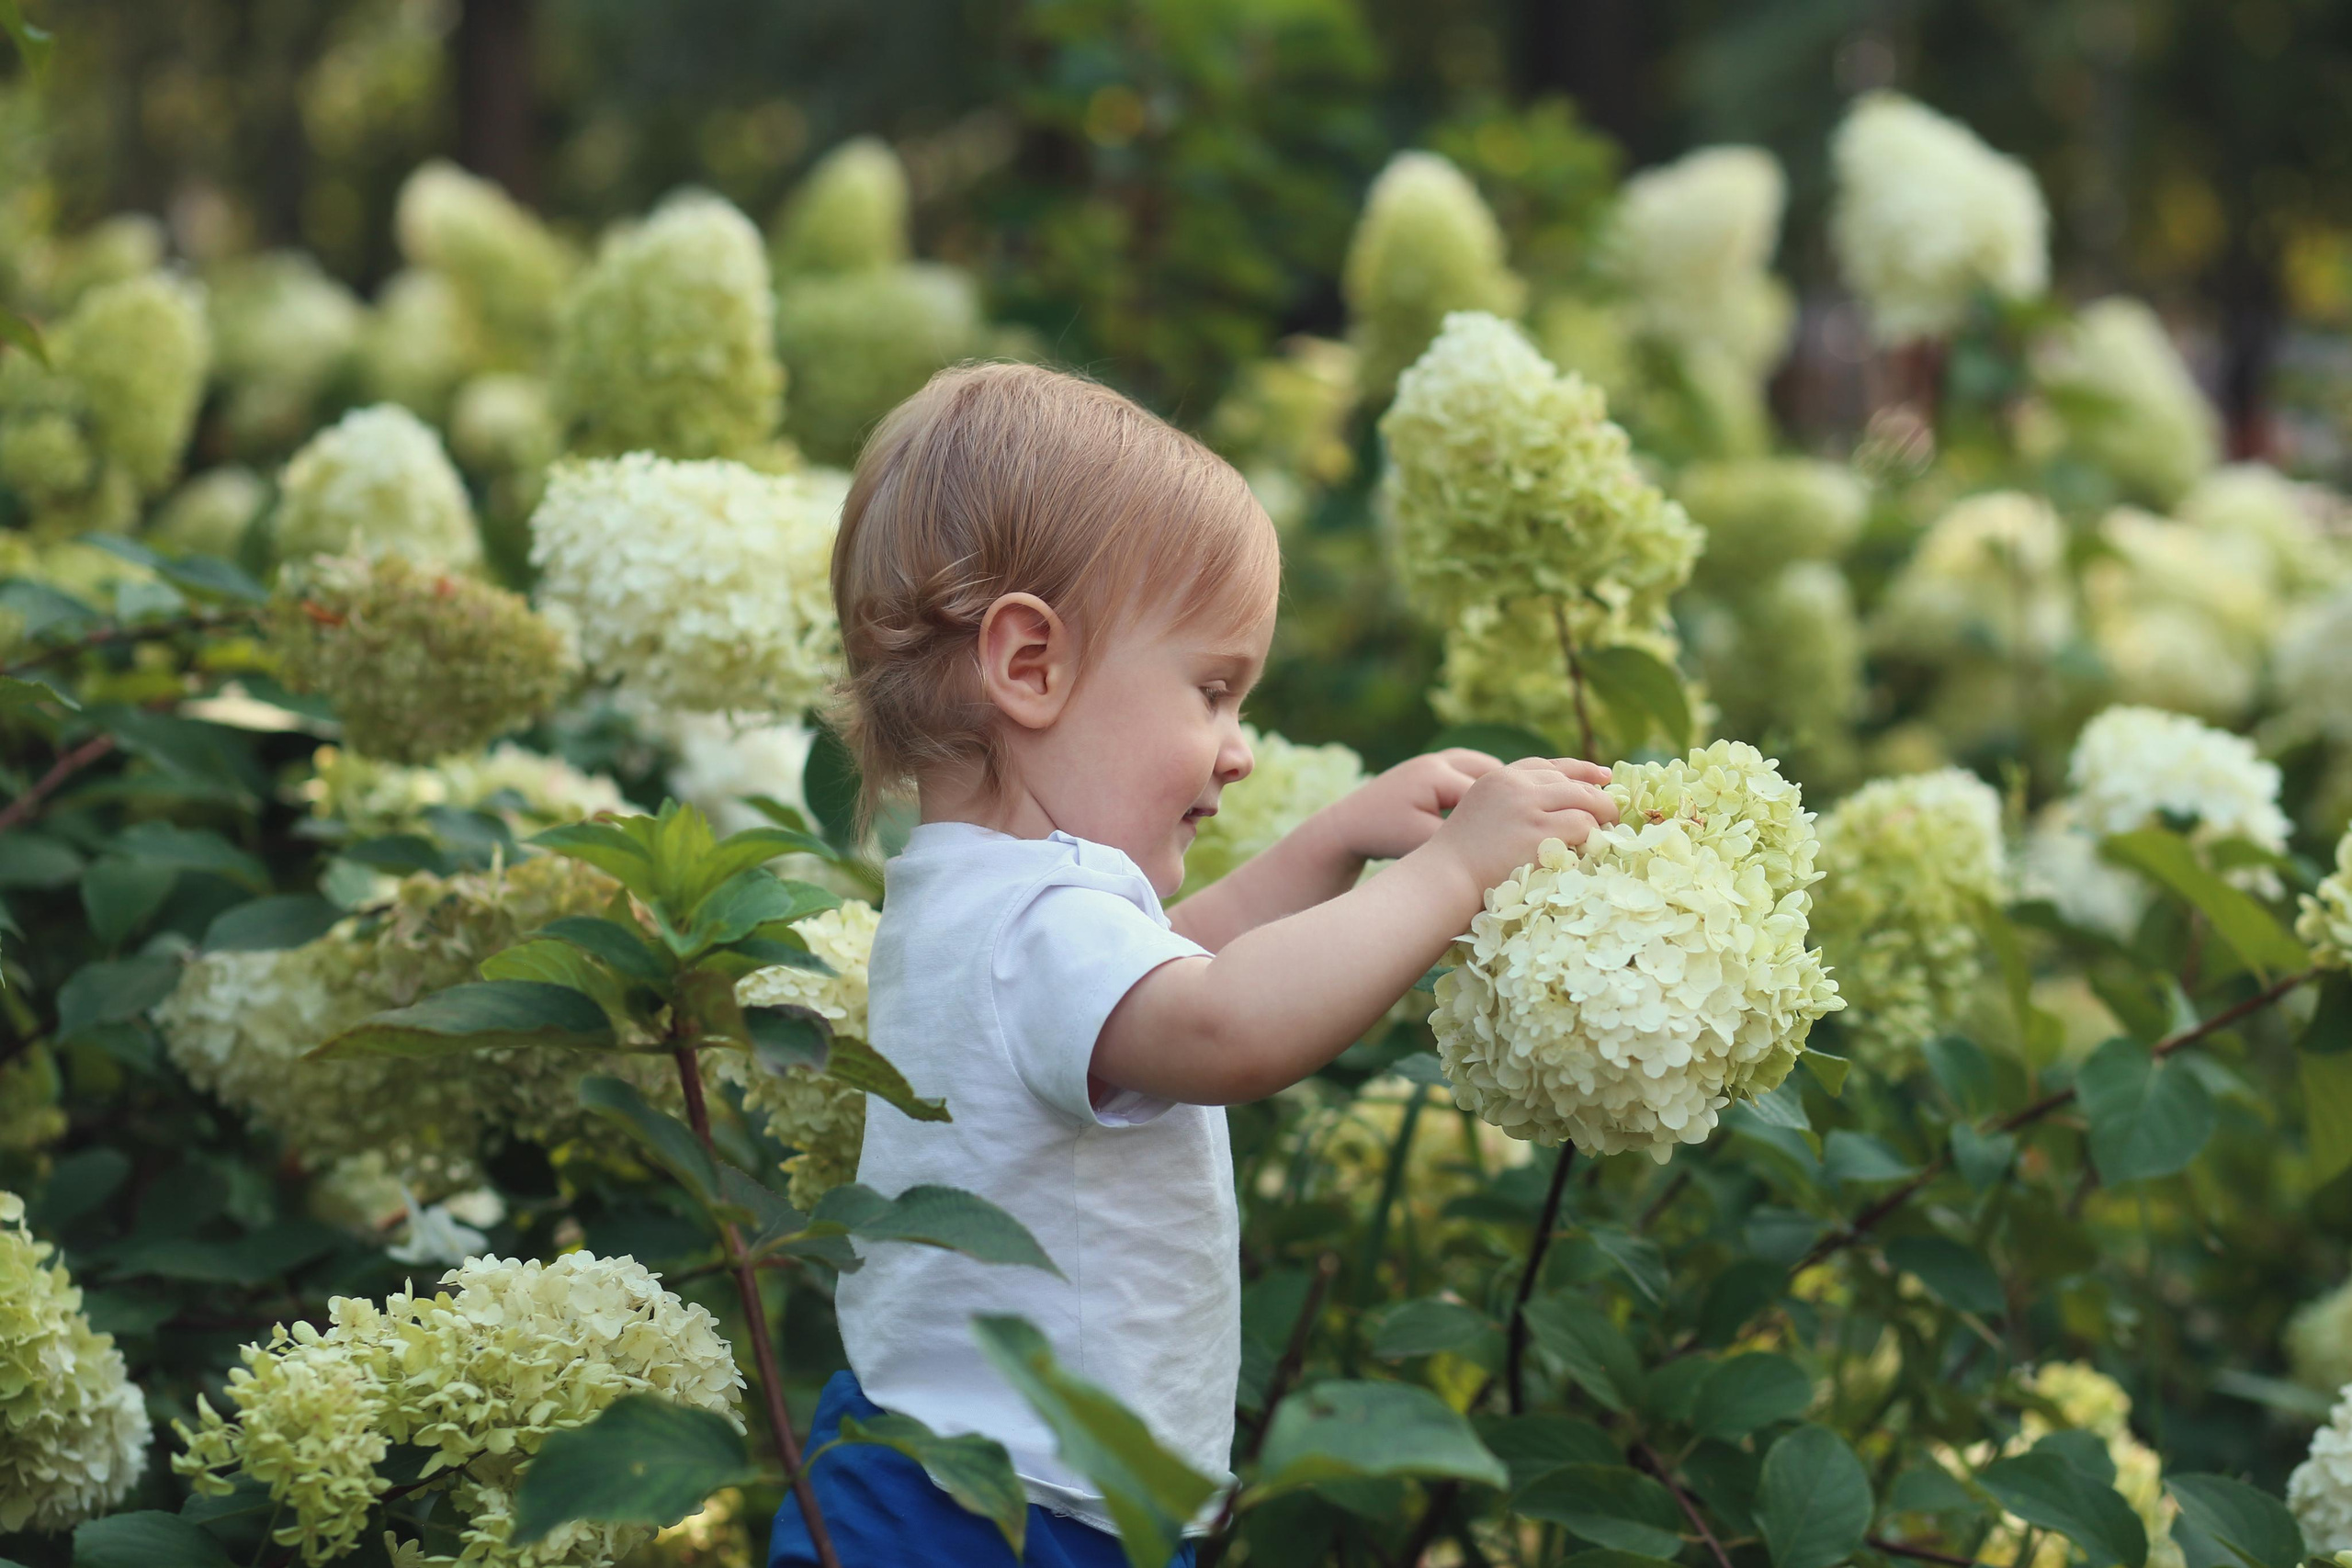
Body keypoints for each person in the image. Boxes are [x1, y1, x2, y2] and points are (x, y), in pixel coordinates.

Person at [769, 361, 1614, 1567]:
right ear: (1028, 667)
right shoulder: (1037, 927)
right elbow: (1219, 1030)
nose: (1240, 752)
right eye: (1214, 691)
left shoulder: (984, 898)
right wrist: (1451, 875)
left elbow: (1162, 973)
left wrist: (1339, 843)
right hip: (995, 1520)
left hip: (957, 1479)